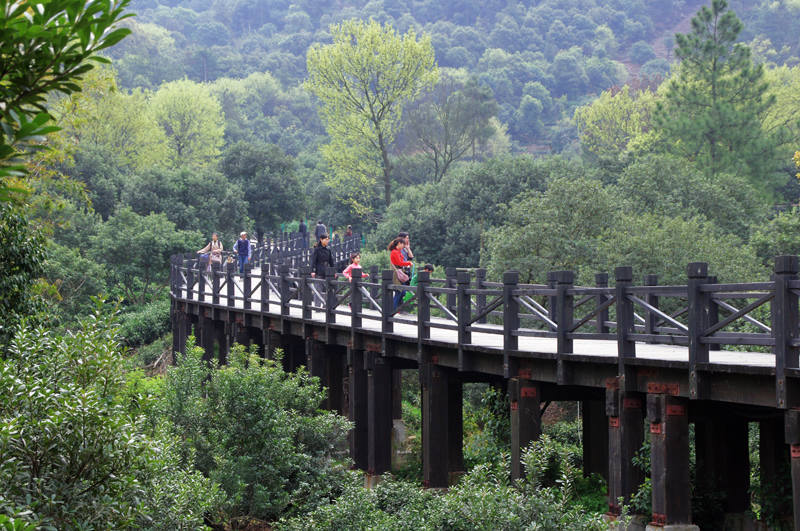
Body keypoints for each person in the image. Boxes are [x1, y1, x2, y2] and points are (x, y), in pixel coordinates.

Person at [388, 237, 413, 311]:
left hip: (400, 271)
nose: (403, 246)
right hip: (396, 273)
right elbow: (399, 263)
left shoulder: (398, 251)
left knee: (402, 291)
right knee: (399, 291)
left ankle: (394, 309)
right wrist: (408, 263)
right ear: (399, 244)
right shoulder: (394, 252)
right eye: (403, 244)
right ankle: (392, 310)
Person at [310, 234, 334, 307]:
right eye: (326, 239)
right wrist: (313, 271)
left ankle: (326, 306)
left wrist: (334, 271)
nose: (327, 241)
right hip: (319, 270)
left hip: (327, 271)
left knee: (328, 289)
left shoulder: (328, 249)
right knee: (318, 289)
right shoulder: (317, 249)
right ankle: (317, 306)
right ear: (321, 239)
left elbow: (331, 261)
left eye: (328, 239)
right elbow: (313, 261)